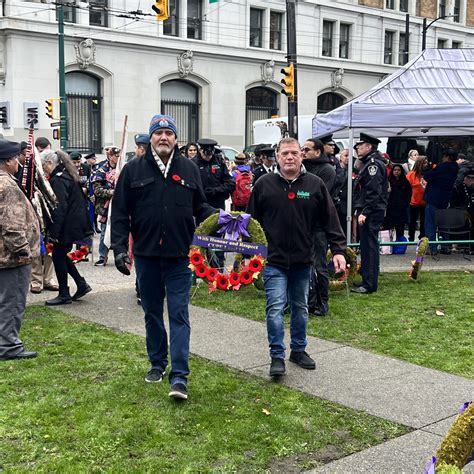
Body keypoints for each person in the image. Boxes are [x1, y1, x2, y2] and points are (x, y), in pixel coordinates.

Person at [111, 114, 214, 401]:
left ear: (176, 139)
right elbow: (119, 214)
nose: (164, 137)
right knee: (152, 313)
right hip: (146, 256)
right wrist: (120, 249)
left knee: (179, 314)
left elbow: (200, 206)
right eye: (158, 133)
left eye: (169, 133)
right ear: (151, 138)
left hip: (180, 257)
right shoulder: (133, 171)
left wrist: (225, 220)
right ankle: (157, 362)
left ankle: (179, 376)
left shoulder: (189, 169)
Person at [246, 137, 346, 377]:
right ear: (277, 157)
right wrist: (248, 253)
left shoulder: (314, 184)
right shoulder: (263, 184)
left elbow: (330, 219)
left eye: (294, 153)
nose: (289, 157)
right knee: (275, 308)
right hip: (274, 262)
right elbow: (251, 222)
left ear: (301, 155)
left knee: (301, 308)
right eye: (285, 154)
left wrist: (339, 250)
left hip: (303, 260)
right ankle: (277, 355)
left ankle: (299, 350)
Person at [0, 139, 40, 360]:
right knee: (12, 302)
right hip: (11, 258)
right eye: (15, 158)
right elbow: (12, 226)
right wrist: (24, 251)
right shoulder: (8, 186)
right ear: (8, 161)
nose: (18, 161)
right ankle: (8, 346)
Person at [40, 150, 93, 305]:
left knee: (58, 255)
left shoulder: (58, 179)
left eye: (44, 166)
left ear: (50, 163)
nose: (44, 169)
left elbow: (59, 207)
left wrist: (54, 233)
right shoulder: (65, 174)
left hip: (68, 224)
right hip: (73, 222)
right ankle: (81, 284)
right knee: (60, 254)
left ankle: (64, 293)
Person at [302, 138, 337, 316]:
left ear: (318, 152)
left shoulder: (327, 170)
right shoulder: (303, 167)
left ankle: (322, 302)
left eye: (307, 150)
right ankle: (307, 300)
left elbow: (316, 196)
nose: (303, 152)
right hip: (301, 225)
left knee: (319, 265)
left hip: (318, 226)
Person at [351, 133, 389, 294]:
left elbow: (373, 191)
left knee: (369, 246)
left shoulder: (372, 164)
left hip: (371, 211)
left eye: (360, 145)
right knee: (366, 245)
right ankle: (367, 278)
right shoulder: (369, 163)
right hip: (370, 209)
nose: (357, 148)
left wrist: (365, 212)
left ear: (369, 146)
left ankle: (369, 283)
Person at [423, 148, 459, 255]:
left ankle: (432, 248)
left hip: (434, 199)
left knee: (430, 225)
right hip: (445, 200)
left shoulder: (442, 167)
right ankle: (445, 246)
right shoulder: (455, 168)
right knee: (444, 224)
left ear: (447, 157)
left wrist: (430, 169)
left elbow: (427, 176)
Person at [92, 146, 119, 266]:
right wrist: (111, 192)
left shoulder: (123, 169)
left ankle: (121, 256)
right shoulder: (102, 170)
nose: (118, 158)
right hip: (105, 206)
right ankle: (103, 256)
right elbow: (97, 190)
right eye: (116, 156)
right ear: (110, 156)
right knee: (104, 232)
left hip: (120, 205)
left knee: (121, 230)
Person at [383, 164, 412, 241]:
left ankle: (399, 246)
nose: (396, 172)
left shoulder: (405, 182)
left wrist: (405, 204)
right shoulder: (388, 181)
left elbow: (409, 194)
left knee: (400, 230)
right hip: (390, 209)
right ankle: (388, 247)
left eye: (398, 170)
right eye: (395, 170)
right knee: (388, 230)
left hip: (401, 210)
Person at [450, 168, 474, 254]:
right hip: (460, 213)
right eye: (469, 178)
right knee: (464, 220)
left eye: (473, 178)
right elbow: (454, 204)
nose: (471, 180)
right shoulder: (458, 188)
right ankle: (464, 245)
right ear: (465, 178)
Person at [406, 155, 429, 241]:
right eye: (424, 163)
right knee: (412, 221)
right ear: (420, 163)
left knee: (424, 221)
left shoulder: (428, 174)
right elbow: (407, 188)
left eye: (427, 162)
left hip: (425, 202)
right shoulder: (411, 174)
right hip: (413, 202)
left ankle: (422, 236)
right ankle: (411, 237)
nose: (426, 164)